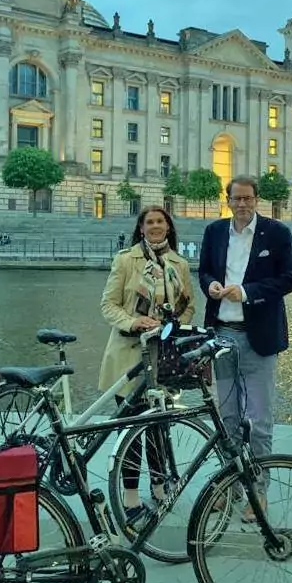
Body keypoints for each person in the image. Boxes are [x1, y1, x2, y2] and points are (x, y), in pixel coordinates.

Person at [198, 175, 292, 521]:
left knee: (258, 421)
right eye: (236, 198)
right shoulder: (215, 231)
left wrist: (246, 292)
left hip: (259, 339)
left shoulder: (277, 233)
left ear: (257, 200)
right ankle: (231, 487)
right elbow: (204, 271)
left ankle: (258, 492)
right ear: (227, 200)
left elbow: (291, 278)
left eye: (248, 198)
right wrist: (211, 285)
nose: (242, 204)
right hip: (222, 336)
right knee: (227, 421)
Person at [98, 205, 195, 522]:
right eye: (149, 222)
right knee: (130, 429)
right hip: (128, 354)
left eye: (160, 221)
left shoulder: (179, 264)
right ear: (141, 228)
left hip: (163, 355)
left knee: (159, 426)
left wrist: (172, 326)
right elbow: (108, 305)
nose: (155, 226)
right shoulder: (126, 260)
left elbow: (188, 306)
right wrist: (134, 321)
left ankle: (158, 484)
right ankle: (130, 496)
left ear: (168, 227)